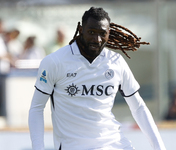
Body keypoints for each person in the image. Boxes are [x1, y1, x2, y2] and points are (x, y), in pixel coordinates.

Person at [29, 7, 166, 150]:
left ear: (109, 34)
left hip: (116, 145)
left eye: (102, 34)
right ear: (81, 30)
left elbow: (138, 107)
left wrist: (159, 147)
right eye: (91, 32)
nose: (97, 39)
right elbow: (37, 108)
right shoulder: (55, 61)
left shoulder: (116, 62)